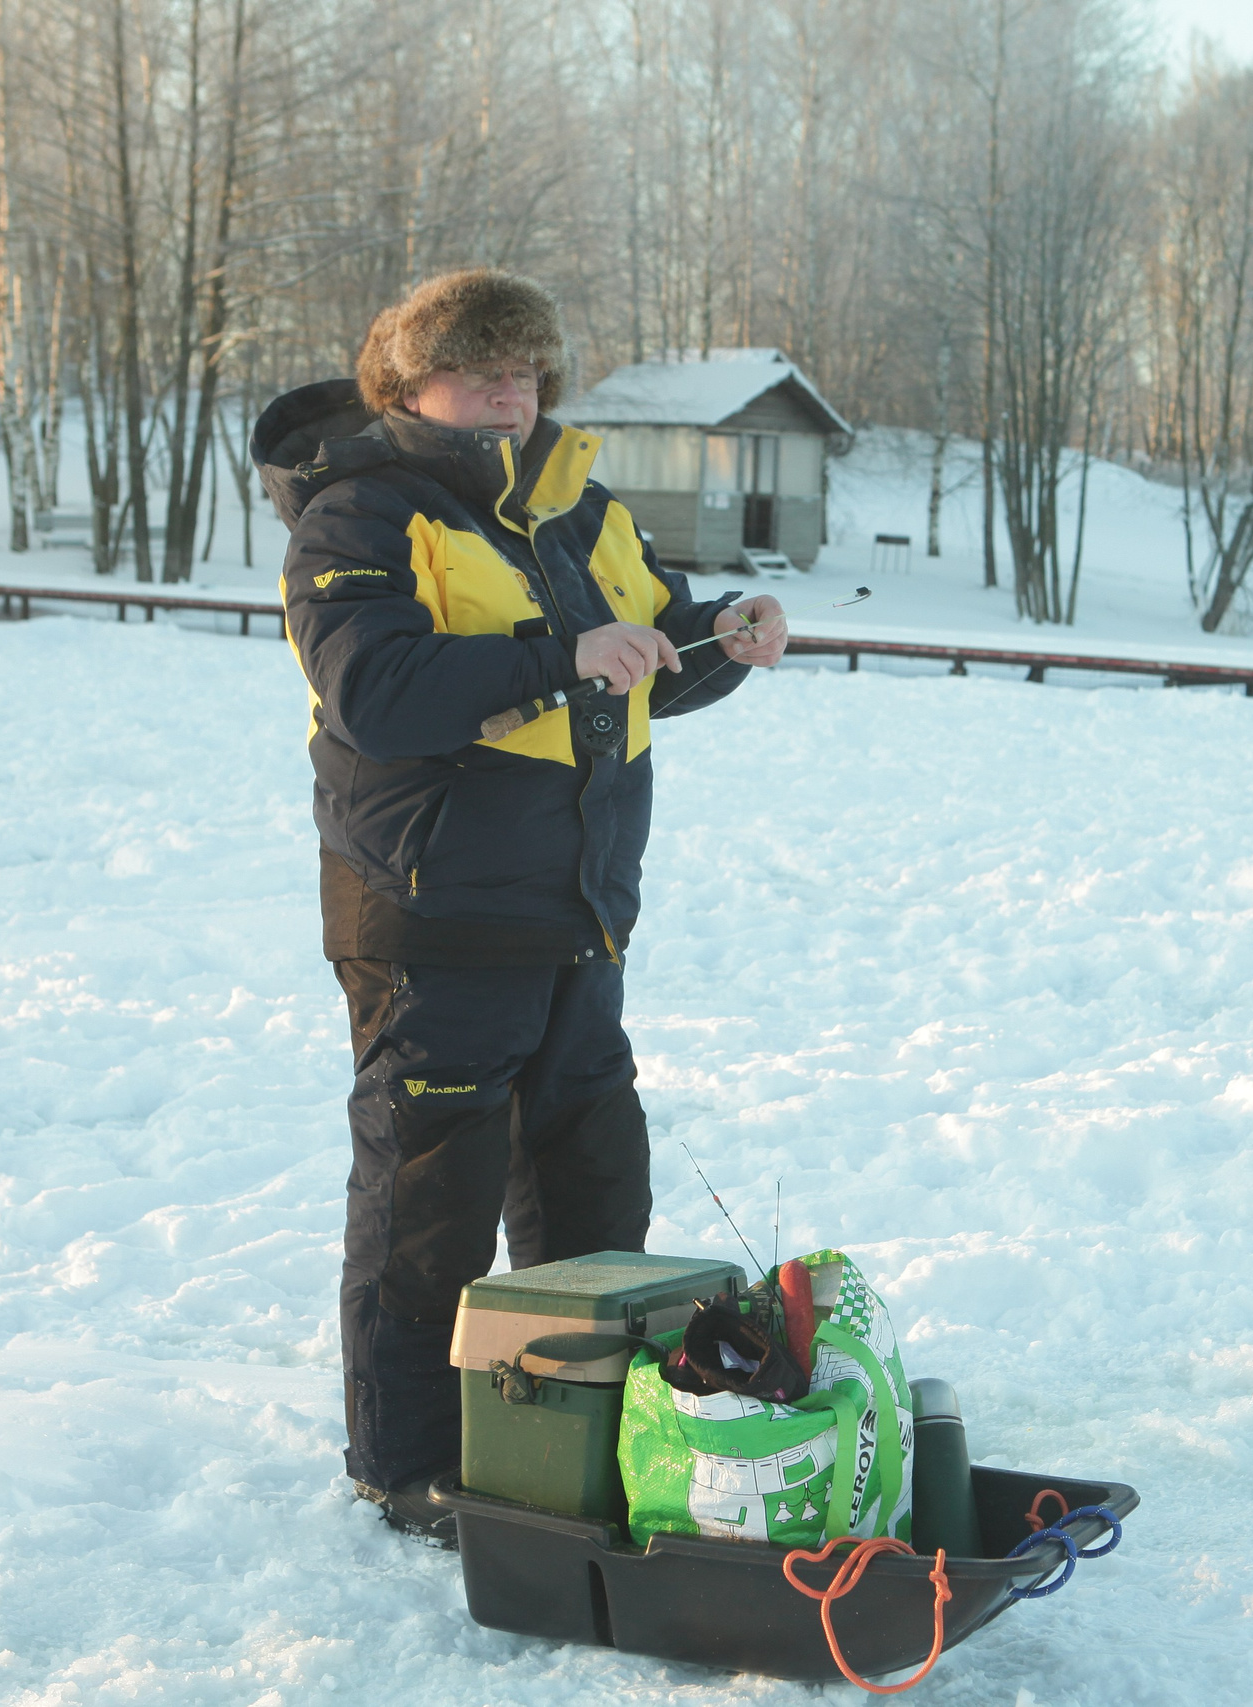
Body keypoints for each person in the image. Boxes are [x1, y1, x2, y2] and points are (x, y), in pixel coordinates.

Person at [249, 268, 787, 1543]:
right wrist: (561, 654)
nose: (506, 392)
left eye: (524, 369)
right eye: (478, 370)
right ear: (408, 384)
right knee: (429, 1207)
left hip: (577, 913)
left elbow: (643, 654)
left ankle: (563, 1431)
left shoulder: (577, 509)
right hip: (429, 914)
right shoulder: (360, 516)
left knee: (597, 1192)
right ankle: (406, 1463)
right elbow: (374, 689)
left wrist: (721, 637)